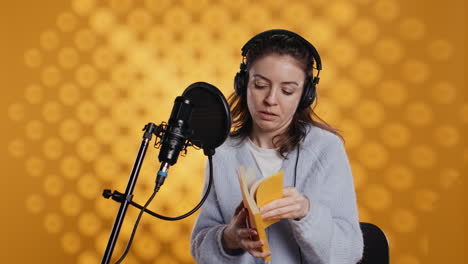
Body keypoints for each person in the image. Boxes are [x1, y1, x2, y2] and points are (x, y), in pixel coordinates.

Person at [190, 29, 363, 264]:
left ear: (304, 95)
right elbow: (200, 247)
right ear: (243, 84)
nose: (271, 100)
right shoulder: (221, 152)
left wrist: (306, 213)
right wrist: (228, 238)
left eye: (287, 91)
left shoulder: (326, 149)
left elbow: (349, 251)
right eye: (260, 85)